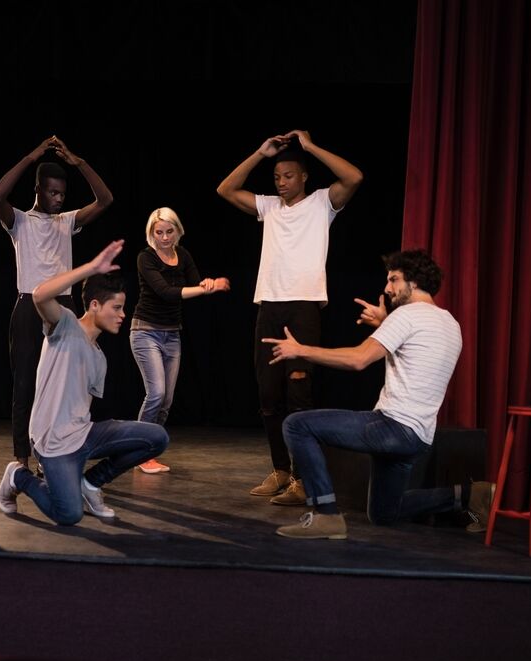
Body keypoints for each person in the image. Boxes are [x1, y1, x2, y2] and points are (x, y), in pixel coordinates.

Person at [260, 250, 494, 539]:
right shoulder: (449, 323)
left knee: (296, 425)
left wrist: (301, 350)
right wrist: (386, 323)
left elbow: (359, 359)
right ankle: (470, 495)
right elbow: (417, 355)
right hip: (418, 437)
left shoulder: (407, 316)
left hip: (392, 427)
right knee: (384, 513)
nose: (387, 288)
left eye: (394, 279)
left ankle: (325, 514)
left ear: (415, 282)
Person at [217, 130, 363, 506]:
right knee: (268, 395)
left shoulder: (321, 203)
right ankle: (281, 470)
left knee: (299, 392)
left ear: (303, 177)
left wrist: (311, 147)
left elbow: (354, 178)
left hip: (303, 307)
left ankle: (302, 478)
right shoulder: (268, 206)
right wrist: (259, 152)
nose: (281, 183)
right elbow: (226, 190)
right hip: (269, 304)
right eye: (277, 177)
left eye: (288, 176)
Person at [0, 240, 169, 525]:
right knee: (69, 514)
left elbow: (81, 407)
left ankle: (91, 483)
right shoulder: (64, 325)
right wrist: (91, 268)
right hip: (52, 441)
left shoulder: (100, 358)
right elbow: (39, 295)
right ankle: (18, 476)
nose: (123, 315)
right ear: (95, 305)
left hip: (84, 435)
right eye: (117, 307)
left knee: (157, 437)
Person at [0, 135, 113, 472]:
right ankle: (21, 457)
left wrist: (80, 163)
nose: (58, 199)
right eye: (52, 193)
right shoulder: (20, 221)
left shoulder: (67, 221)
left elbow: (105, 199)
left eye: (62, 194)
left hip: (64, 306)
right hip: (29, 304)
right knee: (25, 383)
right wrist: (30, 157)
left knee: (64, 386)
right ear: (38, 190)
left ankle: (54, 452)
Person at [131, 207, 231, 474]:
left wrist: (208, 284)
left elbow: (196, 283)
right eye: (159, 232)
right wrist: (202, 289)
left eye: (169, 231)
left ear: (177, 230)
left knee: (167, 400)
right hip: (145, 331)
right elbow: (167, 292)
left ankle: (148, 453)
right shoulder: (146, 258)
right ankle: (136, 451)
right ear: (151, 234)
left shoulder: (183, 254)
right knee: (156, 393)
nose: (164, 237)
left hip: (172, 334)